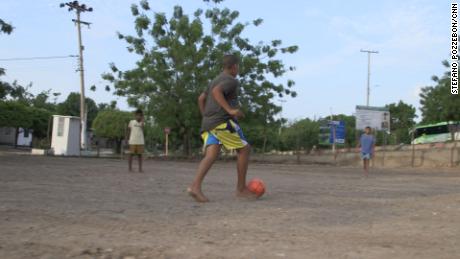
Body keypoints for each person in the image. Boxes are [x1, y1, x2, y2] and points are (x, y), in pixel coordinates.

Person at [188, 54, 255, 202]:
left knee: (211, 154)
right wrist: (230, 111)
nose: (238, 69)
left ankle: (195, 187)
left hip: (208, 124)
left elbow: (201, 98)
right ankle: (241, 189)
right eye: (238, 66)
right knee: (244, 149)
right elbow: (216, 92)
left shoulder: (214, 80)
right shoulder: (231, 81)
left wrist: (205, 116)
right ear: (234, 66)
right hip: (221, 122)